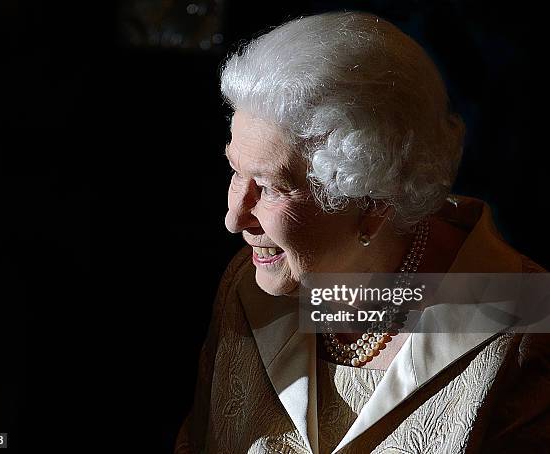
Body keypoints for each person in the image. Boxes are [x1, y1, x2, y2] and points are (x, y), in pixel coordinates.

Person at [175, 11, 549, 453]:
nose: (235, 218)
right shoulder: (246, 288)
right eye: (236, 172)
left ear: (373, 203)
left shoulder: (523, 331)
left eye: (272, 188)